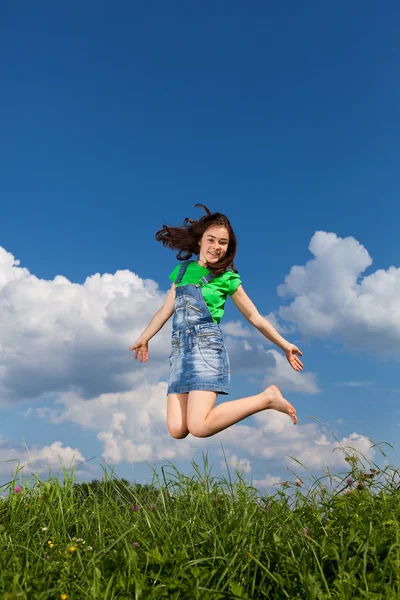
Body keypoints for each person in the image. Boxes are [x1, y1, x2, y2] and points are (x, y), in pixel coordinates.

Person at [130, 205, 303, 439]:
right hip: (180, 352)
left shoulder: (227, 278)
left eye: (223, 243)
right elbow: (165, 309)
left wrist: (285, 345)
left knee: (199, 427)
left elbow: (255, 317)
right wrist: (144, 337)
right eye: (211, 240)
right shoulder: (181, 272)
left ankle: (267, 398)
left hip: (206, 349)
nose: (216, 247)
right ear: (200, 240)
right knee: (177, 430)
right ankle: (265, 399)